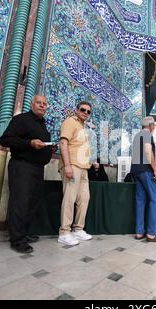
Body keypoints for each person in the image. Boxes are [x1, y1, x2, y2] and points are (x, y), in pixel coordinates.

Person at [0, 95, 54, 254]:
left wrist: (49, 149)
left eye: (44, 103)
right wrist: (29, 143)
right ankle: (17, 240)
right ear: (32, 104)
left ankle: (24, 233)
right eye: (39, 103)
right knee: (20, 203)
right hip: (22, 167)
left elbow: (40, 145)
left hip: (37, 169)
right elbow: (5, 140)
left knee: (32, 203)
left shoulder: (42, 125)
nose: (42, 105)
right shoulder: (22, 120)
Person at [57, 101, 94, 246]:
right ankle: (64, 232)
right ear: (77, 110)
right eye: (83, 109)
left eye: (88, 111)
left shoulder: (83, 127)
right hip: (72, 165)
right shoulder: (70, 122)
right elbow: (63, 143)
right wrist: (67, 165)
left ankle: (78, 229)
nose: (85, 112)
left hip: (83, 167)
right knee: (69, 198)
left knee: (84, 199)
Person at [130, 116, 156, 242]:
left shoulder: (136, 136)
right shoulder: (147, 135)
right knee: (155, 199)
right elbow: (147, 152)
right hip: (146, 171)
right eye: (154, 126)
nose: (154, 129)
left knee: (140, 201)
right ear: (150, 126)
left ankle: (139, 232)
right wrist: (155, 171)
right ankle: (152, 233)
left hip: (136, 171)